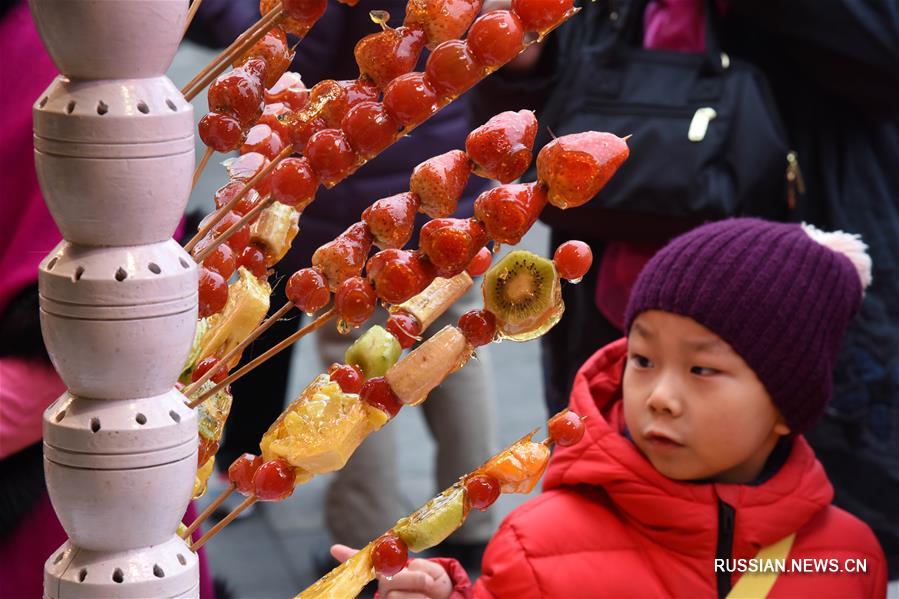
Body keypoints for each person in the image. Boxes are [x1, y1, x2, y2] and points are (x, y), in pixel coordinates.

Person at [472, 0, 899, 574]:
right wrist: (522, 63)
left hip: (796, 305)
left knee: (801, 548)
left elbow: (881, 53)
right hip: (611, 302)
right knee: (602, 544)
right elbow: (546, 128)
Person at [332, 218, 888, 597]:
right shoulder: (539, 545)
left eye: (702, 369)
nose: (660, 397)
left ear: (787, 403)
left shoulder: (847, 557)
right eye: (643, 359)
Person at [187, 0, 497, 568]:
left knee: (361, 371)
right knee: (451, 340)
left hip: (364, 181)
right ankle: (473, 513)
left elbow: (304, 47)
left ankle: (362, 530)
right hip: (448, 165)